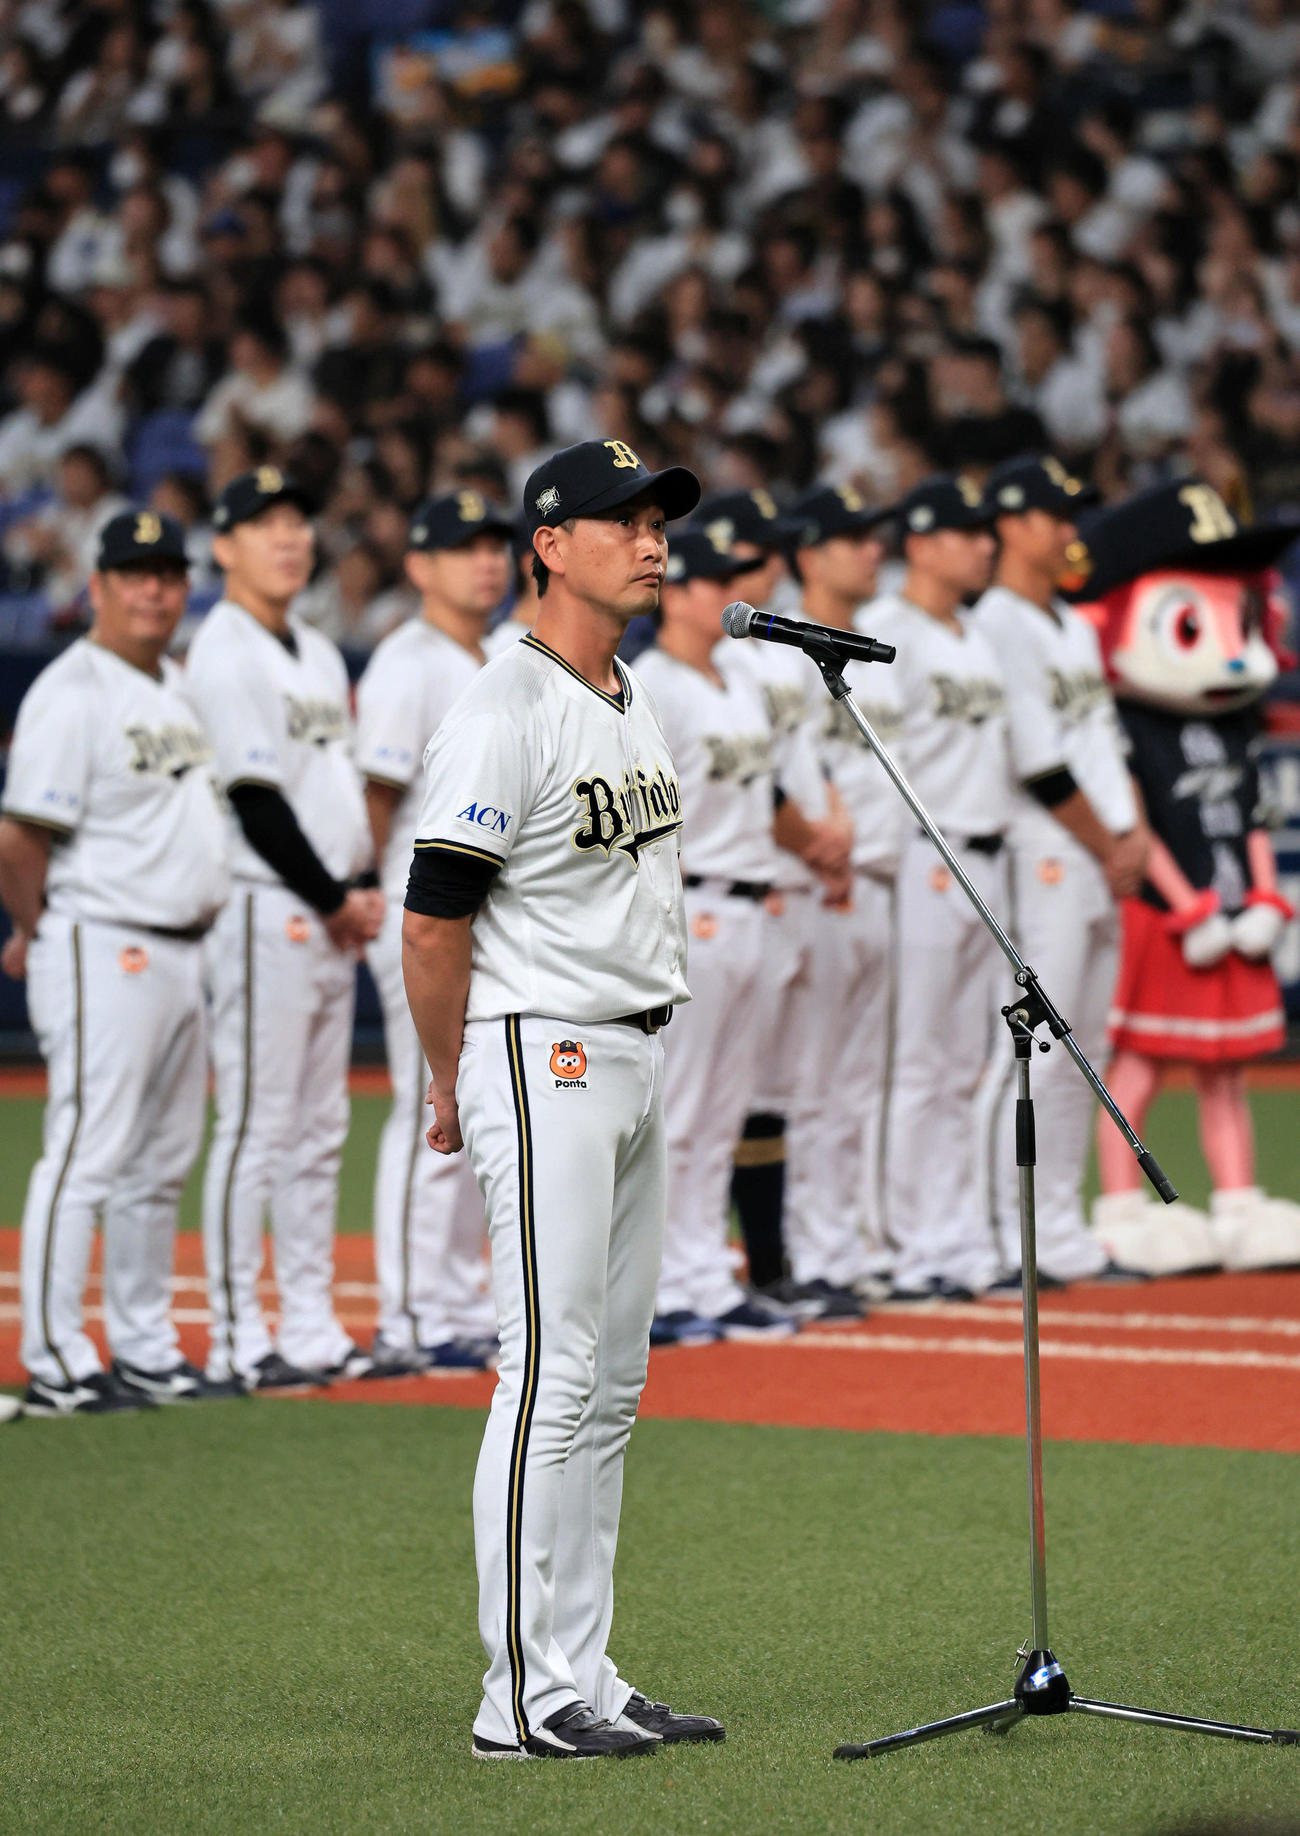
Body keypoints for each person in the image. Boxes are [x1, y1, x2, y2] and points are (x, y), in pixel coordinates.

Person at [402, 438, 724, 1760]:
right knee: (550, 1375)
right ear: (549, 542)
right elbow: (434, 921)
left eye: (657, 519)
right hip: (547, 1051)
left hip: (636, 1048)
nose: (651, 540)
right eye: (620, 520)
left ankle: (580, 1663)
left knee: (613, 1385)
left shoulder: (626, 687)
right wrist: (443, 1075)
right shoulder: (503, 705)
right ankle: (519, 1698)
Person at [0, 510, 231, 1413]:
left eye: (168, 573)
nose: (154, 589)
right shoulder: (74, 690)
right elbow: (19, 837)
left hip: (180, 951)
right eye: (134, 573)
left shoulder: (173, 683)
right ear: (97, 587)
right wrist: (39, 925)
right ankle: (56, 1355)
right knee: (88, 1152)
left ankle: (142, 1345)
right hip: (106, 939)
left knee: (158, 1161)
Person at [186, 467, 383, 1391]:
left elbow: (334, 791)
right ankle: (236, 1334)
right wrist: (339, 896)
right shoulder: (224, 648)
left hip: (328, 909)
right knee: (260, 1125)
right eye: (265, 523)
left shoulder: (310, 644)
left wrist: (363, 885)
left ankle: (308, 1324)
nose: (290, 537)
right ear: (224, 546)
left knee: (318, 1129)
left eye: (299, 520)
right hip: (270, 905)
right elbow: (255, 800)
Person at [974, 454, 1148, 1288]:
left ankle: (1063, 1234)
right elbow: (1039, 765)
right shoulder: (998, 621)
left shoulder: (1072, 623)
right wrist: (1111, 842)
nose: (1069, 530)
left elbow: (1106, 748)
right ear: (1011, 524)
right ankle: (1007, 1238)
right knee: (1033, 1049)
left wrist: (1135, 833)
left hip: (1097, 853)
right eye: (1054, 515)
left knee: (1087, 1048)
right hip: (1044, 850)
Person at [355, 490, 513, 1372]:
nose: (485, 561)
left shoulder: (498, 652)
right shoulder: (405, 661)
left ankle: (451, 1300)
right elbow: (377, 797)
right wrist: (365, 891)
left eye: (494, 545)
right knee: (432, 1107)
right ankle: (410, 1314)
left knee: (474, 1111)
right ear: (418, 566)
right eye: (463, 548)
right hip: (418, 913)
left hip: (481, 922)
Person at [634, 528, 799, 1342]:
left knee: (723, 1109)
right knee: (681, 1106)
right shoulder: (654, 681)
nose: (728, 592)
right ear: (680, 591)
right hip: (691, 899)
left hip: (753, 900)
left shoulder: (736, 675)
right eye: (714, 580)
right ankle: (661, 1281)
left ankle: (705, 1269)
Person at [867, 475, 1006, 1300]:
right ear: (920, 542)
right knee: (917, 1060)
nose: (983, 543)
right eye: (965, 531)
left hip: (985, 853)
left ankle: (954, 1236)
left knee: (965, 1059)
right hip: (924, 853)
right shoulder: (887, 630)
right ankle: (911, 1242)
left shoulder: (976, 633)